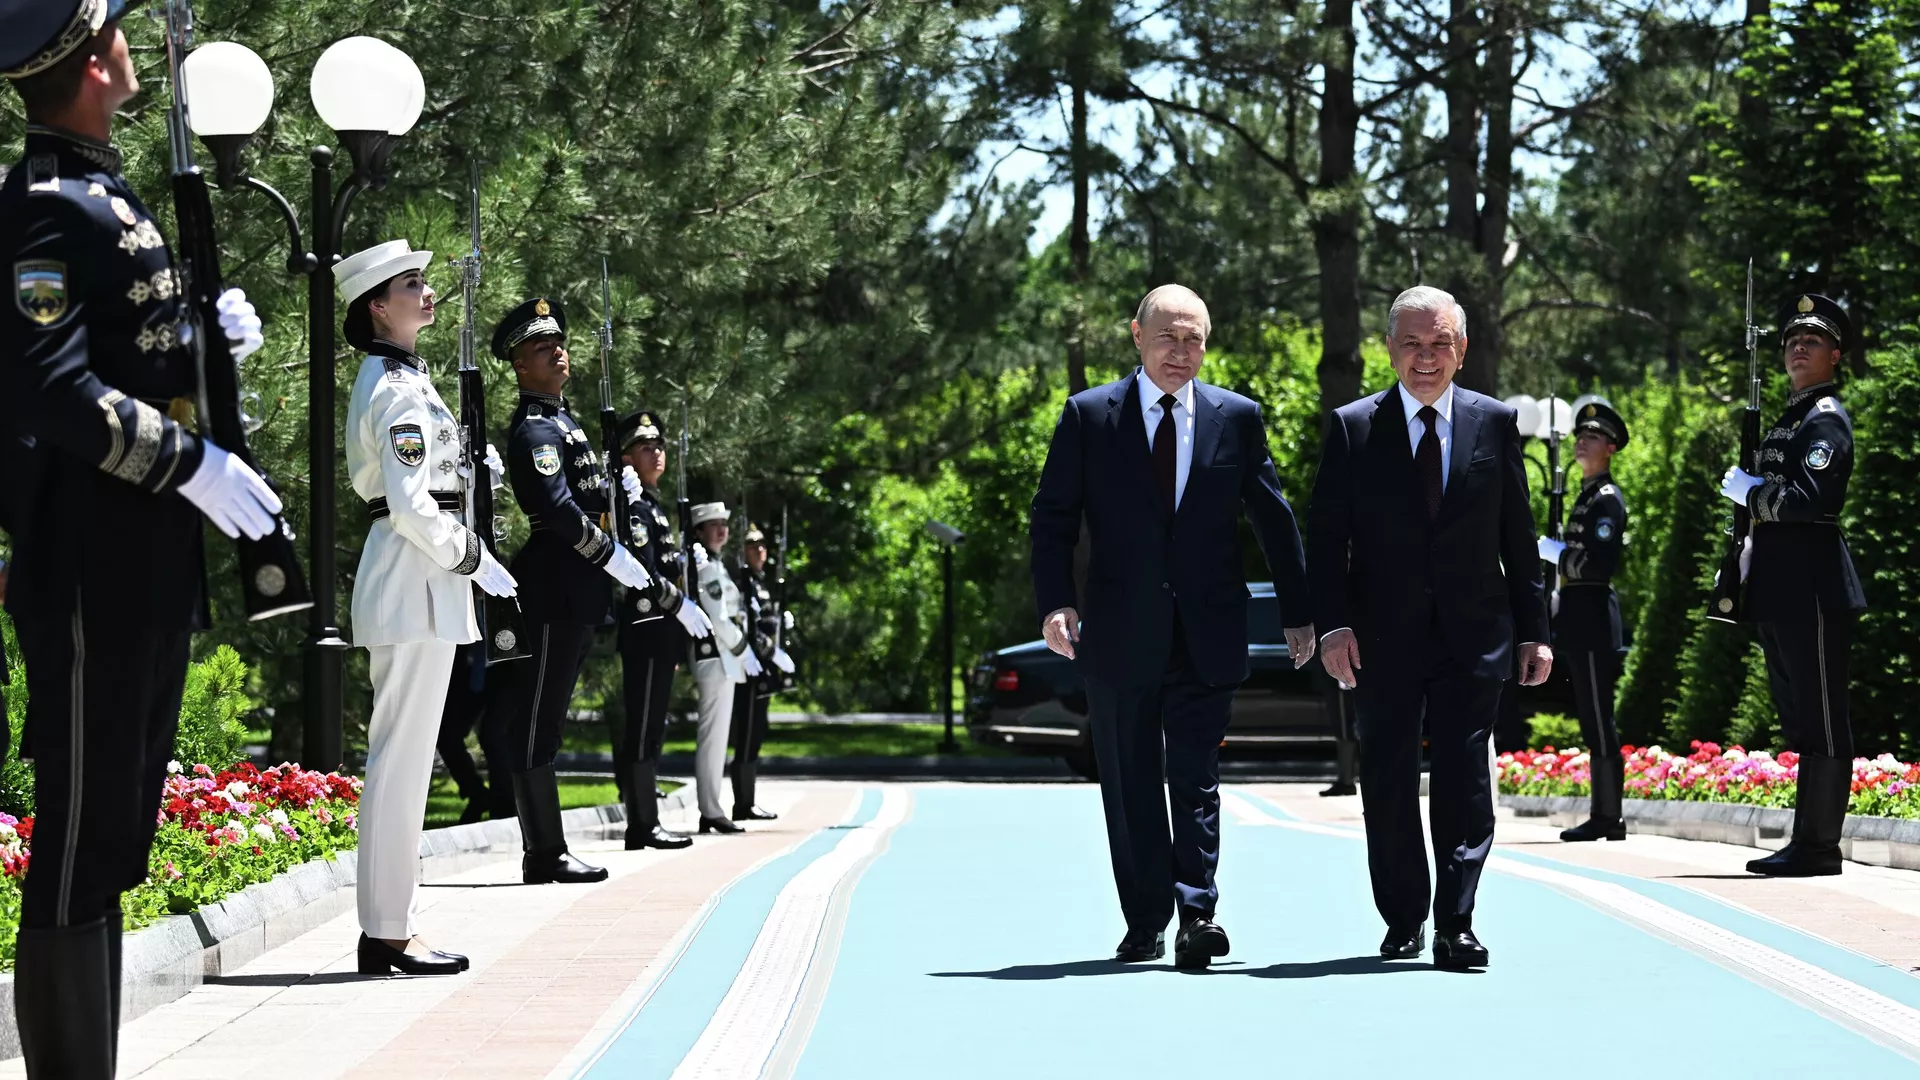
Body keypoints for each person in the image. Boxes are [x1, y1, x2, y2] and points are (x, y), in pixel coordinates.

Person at [0, 4, 283, 1073]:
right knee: (80, 839)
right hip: (89, 563)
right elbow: (51, 388)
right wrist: (188, 462)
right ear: (90, 62)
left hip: (145, 559)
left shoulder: (103, 191)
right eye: (115, 29)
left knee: (116, 833)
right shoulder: (42, 205)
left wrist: (209, 338)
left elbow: (129, 347)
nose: (129, 45)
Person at [1030, 284, 1316, 970]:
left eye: (1194, 340)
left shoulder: (1236, 417)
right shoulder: (1089, 415)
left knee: (1195, 777)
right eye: (1168, 337)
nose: (1181, 352)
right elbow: (1054, 517)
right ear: (1137, 336)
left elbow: (1273, 517)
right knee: (1130, 782)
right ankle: (1145, 919)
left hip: (1207, 632)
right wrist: (1057, 602)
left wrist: (1301, 611)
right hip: (1119, 633)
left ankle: (1198, 915)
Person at [1308, 285, 1550, 971]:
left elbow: (1518, 536)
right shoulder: (1354, 427)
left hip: (1473, 635)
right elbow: (1325, 540)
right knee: (1386, 778)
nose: (1425, 357)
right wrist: (1332, 626)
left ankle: (1456, 921)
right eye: (1411, 343)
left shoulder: (1494, 422)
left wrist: (1535, 630)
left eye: (1439, 343)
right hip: (1379, 640)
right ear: (1389, 349)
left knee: (1465, 778)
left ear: (1461, 350)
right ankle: (1404, 914)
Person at [336, 240, 518, 975]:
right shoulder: (396, 388)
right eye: (412, 283)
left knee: (408, 764)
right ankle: (387, 931)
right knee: (400, 764)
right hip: (415, 579)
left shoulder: (408, 379)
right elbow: (412, 507)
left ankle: (393, 925)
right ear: (379, 307)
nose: (426, 290)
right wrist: (471, 555)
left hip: (421, 583)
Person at [492, 297, 653, 884]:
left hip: (577, 588)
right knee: (538, 718)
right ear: (519, 364)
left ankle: (547, 849)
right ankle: (544, 852)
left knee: (548, 717)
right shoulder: (536, 427)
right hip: (554, 585)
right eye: (542, 347)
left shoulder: (566, 422)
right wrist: (609, 554)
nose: (557, 352)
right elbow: (557, 509)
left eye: (558, 343)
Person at [1720, 293, 1865, 877]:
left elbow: (1808, 501)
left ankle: (1819, 846)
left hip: (1815, 588)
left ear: (1835, 354)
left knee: (1823, 715)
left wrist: (1752, 493)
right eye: (1791, 341)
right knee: (1803, 716)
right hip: (1784, 587)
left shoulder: (1824, 418)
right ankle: (1806, 839)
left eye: (1812, 340)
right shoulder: (1791, 418)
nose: (1798, 348)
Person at [612, 408, 712, 849]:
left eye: (659, 447)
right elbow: (643, 572)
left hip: (662, 634)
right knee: (643, 726)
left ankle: (646, 820)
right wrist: (679, 604)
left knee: (653, 727)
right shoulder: (635, 507)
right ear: (627, 458)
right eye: (645, 447)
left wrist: (687, 564)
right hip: (647, 629)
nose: (656, 454)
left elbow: (666, 566)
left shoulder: (655, 506)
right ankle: (641, 823)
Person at [1538, 397, 1629, 842]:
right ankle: (1604, 814)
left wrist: (1560, 556)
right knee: (1591, 718)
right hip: (1578, 616)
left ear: (1610, 448)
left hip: (1593, 617)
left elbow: (1599, 564)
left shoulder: (1607, 500)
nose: (1582, 442)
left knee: (1599, 717)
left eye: (1592, 437)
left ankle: (1609, 816)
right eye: (1580, 436)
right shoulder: (1586, 495)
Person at [689, 502, 756, 833]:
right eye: (713, 525)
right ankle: (711, 810)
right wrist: (744, 650)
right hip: (717, 659)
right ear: (699, 531)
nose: (721, 530)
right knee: (713, 740)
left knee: (717, 739)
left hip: (723, 660)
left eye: (723, 525)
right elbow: (718, 619)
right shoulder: (706, 568)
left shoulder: (716, 565)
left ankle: (712, 809)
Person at [729, 523, 796, 820]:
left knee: (757, 732)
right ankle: (742, 804)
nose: (759, 550)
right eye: (752, 546)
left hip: (764, 669)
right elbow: (748, 627)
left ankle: (749, 800)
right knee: (746, 733)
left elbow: (766, 621)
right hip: (750, 666)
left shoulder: (761, 582)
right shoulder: (744, 583)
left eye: (762, 546)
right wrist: (773, 653)